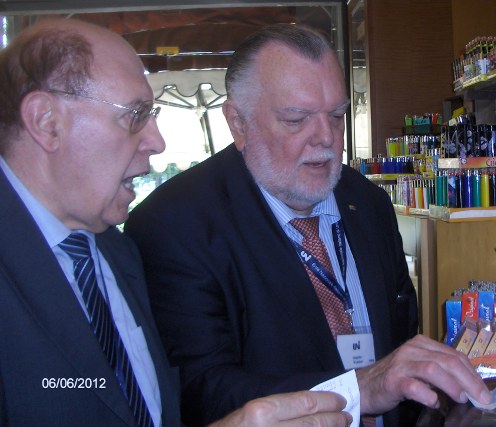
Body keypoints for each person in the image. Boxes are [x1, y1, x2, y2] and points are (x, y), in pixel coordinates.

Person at [125, 23, 491, 427]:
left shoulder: (369, 203)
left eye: (336, 116)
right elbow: (199, 390)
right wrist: (359, 389)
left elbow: (401, 344)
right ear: (238, 123)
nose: (326, 139)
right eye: (297, 119)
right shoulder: (175, 224)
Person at [0, 18, 352, 427]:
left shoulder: (117, 251)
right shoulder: (161, 229)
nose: (157, 141)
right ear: (46, 121)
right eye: (135, 115)